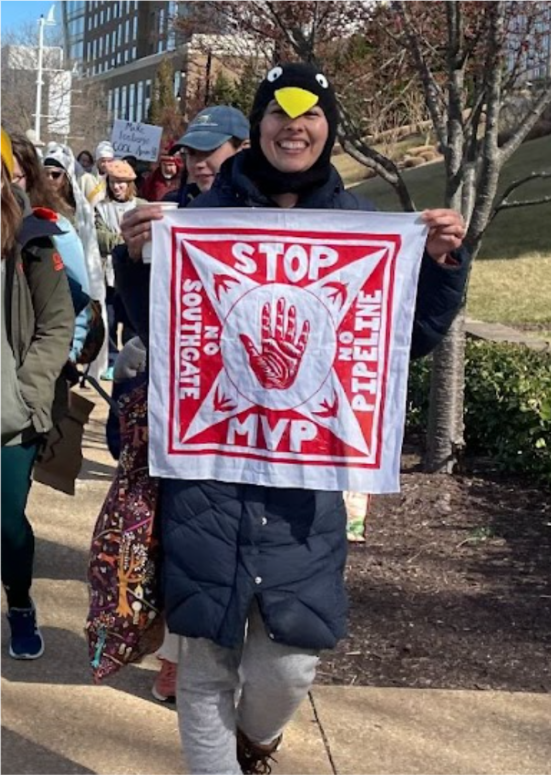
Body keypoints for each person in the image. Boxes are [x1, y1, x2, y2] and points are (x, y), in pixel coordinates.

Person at [115, 63, 469, 774]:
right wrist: (134, 261)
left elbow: (409, 341)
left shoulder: (366, 227)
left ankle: (260, 740)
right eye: (277, 112)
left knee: (288, 669)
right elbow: (152, 326)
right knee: (207, 665)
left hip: (305, 492)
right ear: (259, 125)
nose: (293, 126)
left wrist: (439, 266)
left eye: (309, 114)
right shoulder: (200, 219)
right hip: (207, 488)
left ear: (329, 126)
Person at [110, 105, 251, 704]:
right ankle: (176, 653)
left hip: (262, 408)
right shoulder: (176, 217)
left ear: (244, 148)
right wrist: (133, 258)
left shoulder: (293, 215)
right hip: (188, 407)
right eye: (191, 152)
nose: (198, 162)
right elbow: (148, 321)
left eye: (212, 150)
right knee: (183, 539)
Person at [1, 128, 75, 660]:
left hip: (11, 418)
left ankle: (20, 602)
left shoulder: (31, 241)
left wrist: (28, 396)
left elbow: (56, 324)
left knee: (7, 524)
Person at [11, 134, 92, 364]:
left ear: (30, 178)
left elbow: (78, 301)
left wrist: (67, 357)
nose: (5, 187)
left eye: (13, 178)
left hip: (41, 369)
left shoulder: (55, 229)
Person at [43, 143, 107, 381]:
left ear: (66, 176)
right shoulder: (34, 208)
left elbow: (85, 257)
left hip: (70, 284)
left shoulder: (77, 211)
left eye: (56, 174)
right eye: (45, 174)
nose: (50, 179)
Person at [95, 160, 145, 379]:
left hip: (135, 273)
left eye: (122, 183)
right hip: (108, 274)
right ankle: (113, 360)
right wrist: (123, 240)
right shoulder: (101, 208)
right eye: (114, 183)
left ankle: (134, 361)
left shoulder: (142, 206)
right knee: (111, 319)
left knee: (132, 321)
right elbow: (100, 237)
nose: (117, 187)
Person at [80, 140, 115, 208]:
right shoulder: (85, 177)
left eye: (109, 161)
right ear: (97, 161)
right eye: (103, 161)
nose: (106, 164)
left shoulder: (115, 179)